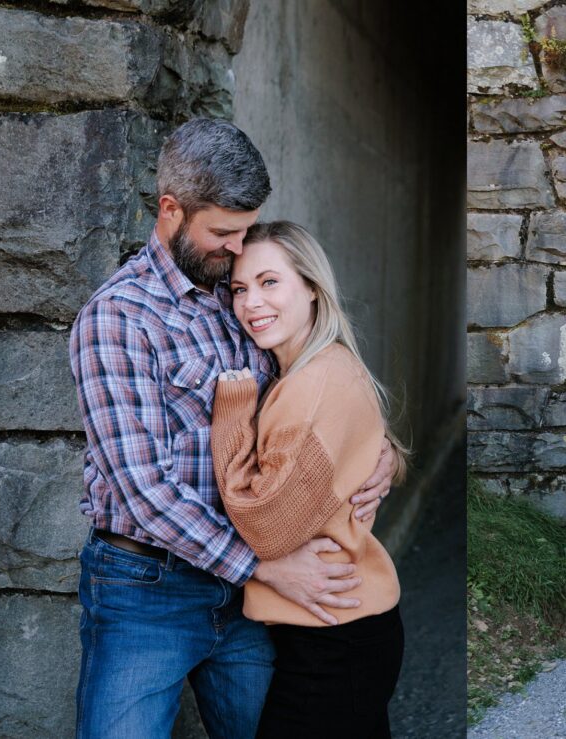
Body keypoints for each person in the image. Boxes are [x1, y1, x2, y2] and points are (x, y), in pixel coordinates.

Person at [68, 119, 394, 738]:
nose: (239, 249)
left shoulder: (239, 295)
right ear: (171, 210)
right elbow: (143, 488)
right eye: (223, 233)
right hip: (148, 589)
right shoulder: (117, 318)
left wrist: (379, 453)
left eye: (245, 231)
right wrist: (262, 567)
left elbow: (315, 395)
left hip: (250, 598)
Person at [212, 221, 409, 736]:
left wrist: (232, 416)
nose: (251, 302)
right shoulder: (318, 369)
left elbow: (269, 528)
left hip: (334, 640)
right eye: (239, 288)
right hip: (340, 630)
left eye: (270, 282)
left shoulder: (313, 384)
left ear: (313, 290)